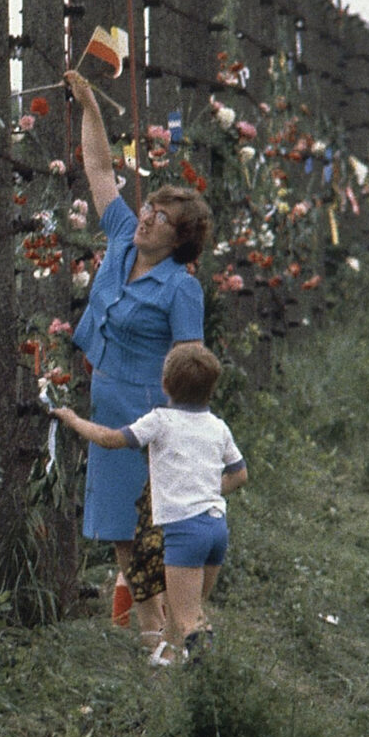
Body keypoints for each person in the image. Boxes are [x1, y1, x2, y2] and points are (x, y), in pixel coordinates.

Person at [61, 68, 212, 652]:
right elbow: (100, 170)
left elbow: (190, 365)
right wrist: (90, 106)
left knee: (154, 533)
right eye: (150, 209)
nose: (146, 217)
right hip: (107, 407)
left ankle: (168, 636)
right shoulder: (121, 237)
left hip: (150, 416)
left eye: (163, 220)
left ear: (180, 240)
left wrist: (180, 431)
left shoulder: (181, 288)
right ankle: (157, 637)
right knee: (123, 534)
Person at [51, 344, 248, 665]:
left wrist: (72, 419)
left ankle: (208, 683)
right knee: (183, 615)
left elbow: (110, 439)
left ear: (165, 384)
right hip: (216, 529)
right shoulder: (218, 426)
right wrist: (206, 489)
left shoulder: (160, 420)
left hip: (185, 533)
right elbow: (240, 475)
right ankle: (164, 672)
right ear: (212, 389)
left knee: (190, 622)